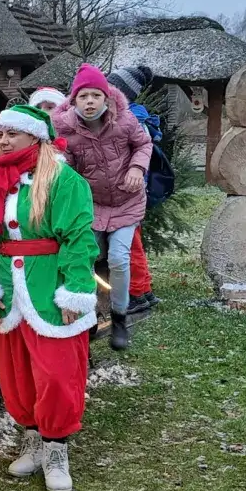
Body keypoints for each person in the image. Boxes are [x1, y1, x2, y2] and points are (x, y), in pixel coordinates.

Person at [0, 104, 100, 491]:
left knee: (56, 373)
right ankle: (34, 439)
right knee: (16, 373)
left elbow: (78, 238)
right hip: (8, 290)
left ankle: (56, 448)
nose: (3, 141)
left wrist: (76, 288)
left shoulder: (63, 180)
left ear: (35, 137)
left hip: (50, 287)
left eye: (12, 134)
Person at [52, 65, 152, 351]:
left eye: (96, 95)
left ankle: (119, 317)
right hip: (92, 206)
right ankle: (88, 313)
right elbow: (66, 166)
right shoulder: (65, 130)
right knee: (84, 257)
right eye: (83, 96)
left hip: (126, 202)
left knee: (119, 258)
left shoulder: (125, 120)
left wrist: (136, 168)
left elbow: (143, 145)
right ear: (74, 100)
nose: (90, 102)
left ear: (106, 98)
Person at [107, 66, 162, 314]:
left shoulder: (131, 121)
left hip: (127, 193)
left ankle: (137, 294)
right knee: (133, 243)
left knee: (130, 246)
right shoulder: (135, 117)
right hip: (130, 192)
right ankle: (145, 289)